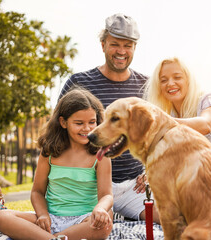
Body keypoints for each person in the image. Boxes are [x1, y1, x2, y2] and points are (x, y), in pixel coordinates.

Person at [58, 13, 159, 223]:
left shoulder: (147, 86)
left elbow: (158, 136)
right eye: (115, 44)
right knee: (94, 226)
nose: (121, 51)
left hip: (134, 186)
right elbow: (57, 133)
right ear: (103, 44)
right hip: (90, 187)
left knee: (172, 218)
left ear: (134, 48)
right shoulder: (77, 83)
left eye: (128, 45)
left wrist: (151, 169)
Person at [0, 88, 113, 240]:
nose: (87, 128)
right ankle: (53, 238)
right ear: (63, 122)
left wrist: (101, 208)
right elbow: (37, 192)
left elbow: (106, 195)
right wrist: (43, 215)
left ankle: (47, 238)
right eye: (79, 123)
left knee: (105, 224)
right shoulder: (49, 152)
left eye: (92, 122)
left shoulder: (100, 155)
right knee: (1, 216)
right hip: (50, 219)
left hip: (84, 220)